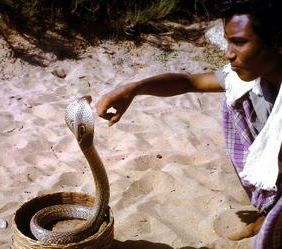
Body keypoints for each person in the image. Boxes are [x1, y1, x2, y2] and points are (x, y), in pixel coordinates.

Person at [95, 0, 281, 248]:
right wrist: (134, 89)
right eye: (227, 42)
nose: (228, 53)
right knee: (234, 98)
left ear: (278, 43)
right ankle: (270, 209)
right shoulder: (250, 79)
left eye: (239, 42)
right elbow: (189, 82)